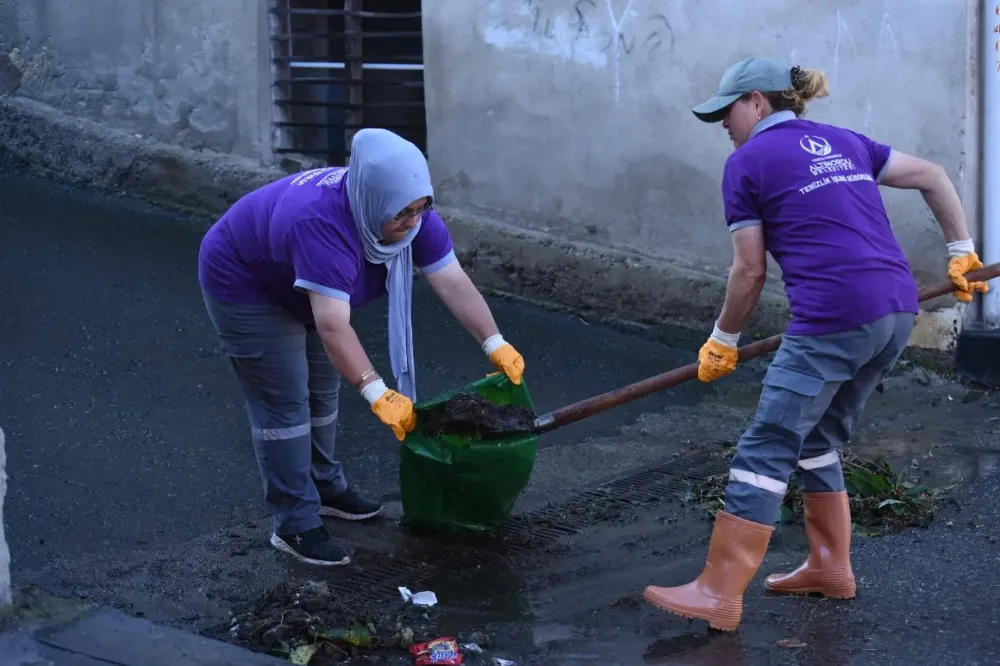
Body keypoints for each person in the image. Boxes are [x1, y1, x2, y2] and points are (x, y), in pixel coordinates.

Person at [643, 57, 988, 631]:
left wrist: (722, 339)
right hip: (896, 310)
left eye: (725, 113)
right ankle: (830, 565)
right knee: (819, 437)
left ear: (756, 101)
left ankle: (718, 592)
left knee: (767, 445)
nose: (722, 127)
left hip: (832, 316)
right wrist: (961, 250)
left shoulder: (746, 162)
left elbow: (749, 272)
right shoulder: (843, 141)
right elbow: (931, 173)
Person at [197, 128, 526, 567]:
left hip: (308, 283)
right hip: (247, 280)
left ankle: (326, 487)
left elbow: (451, 281)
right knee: (284, 405)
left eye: (420, 209)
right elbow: (333, 326)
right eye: (402, 214)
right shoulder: (322, 223)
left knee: (322, 389)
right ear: (372, 200)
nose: (413, 222)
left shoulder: (412, 214)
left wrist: (495, 342)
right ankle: (295, 523)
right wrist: (376, 392)